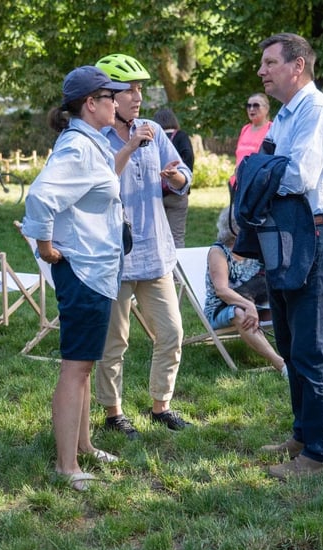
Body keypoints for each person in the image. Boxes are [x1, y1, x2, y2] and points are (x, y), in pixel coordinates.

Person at [21, 66, 129, 491]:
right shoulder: (78, 147)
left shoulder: (91, 142)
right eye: (110, 97)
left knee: (84, 366)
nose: (117, 103)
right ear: (91, 103)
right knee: (76, 367)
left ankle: (83, 445)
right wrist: (45, 246)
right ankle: (66, 466)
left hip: (94, 270)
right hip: (83, 270)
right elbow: (41, 196)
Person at [252, 33, 323, 479]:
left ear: (298, 66)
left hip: (315, 233)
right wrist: (261, 172)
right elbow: (263, 167)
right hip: (288, 233)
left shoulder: (317, 112)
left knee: (311, 347)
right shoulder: (287, 116)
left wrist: (259, 175)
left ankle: (322, 454)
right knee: (290, 344)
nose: (261, 71)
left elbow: (297, 177)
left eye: (270, 62)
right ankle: (303, 435)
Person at [94, 53, 193, 439]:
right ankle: (113, 413)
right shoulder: (95, 138)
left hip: (155, 253)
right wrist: (131, 146)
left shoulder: (153, 130)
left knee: (171, 332)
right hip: (114, 257)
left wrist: (177, 179)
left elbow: (182, 172)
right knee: (114, 342)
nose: (137, 97)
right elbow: (101, 183)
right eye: (128, 91)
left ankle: (160, 406)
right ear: (107, 97)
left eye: (139, 89)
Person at [205, 208, 286, 375]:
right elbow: (221, 290)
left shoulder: (253, 248)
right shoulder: (219, 252)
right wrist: (249, 306)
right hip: (222, 309)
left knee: (292, 306)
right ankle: (281, 365)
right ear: (234, 228)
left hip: (258, 305)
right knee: (239, 313)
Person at [152, 107, 195, 248]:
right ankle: (179, 261)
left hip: (156, 194)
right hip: (178, 194)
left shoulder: (152, 138)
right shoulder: (181, 136)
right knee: (177, 237)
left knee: (157, 237)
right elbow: (188, 157)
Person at [230, 93, 273, 188]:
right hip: (237, 183)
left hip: (256, 185)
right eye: (248, 106)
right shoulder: (245, 129)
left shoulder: (272, 129)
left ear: (266, 109)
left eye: (256, 105)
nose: (251, 109)